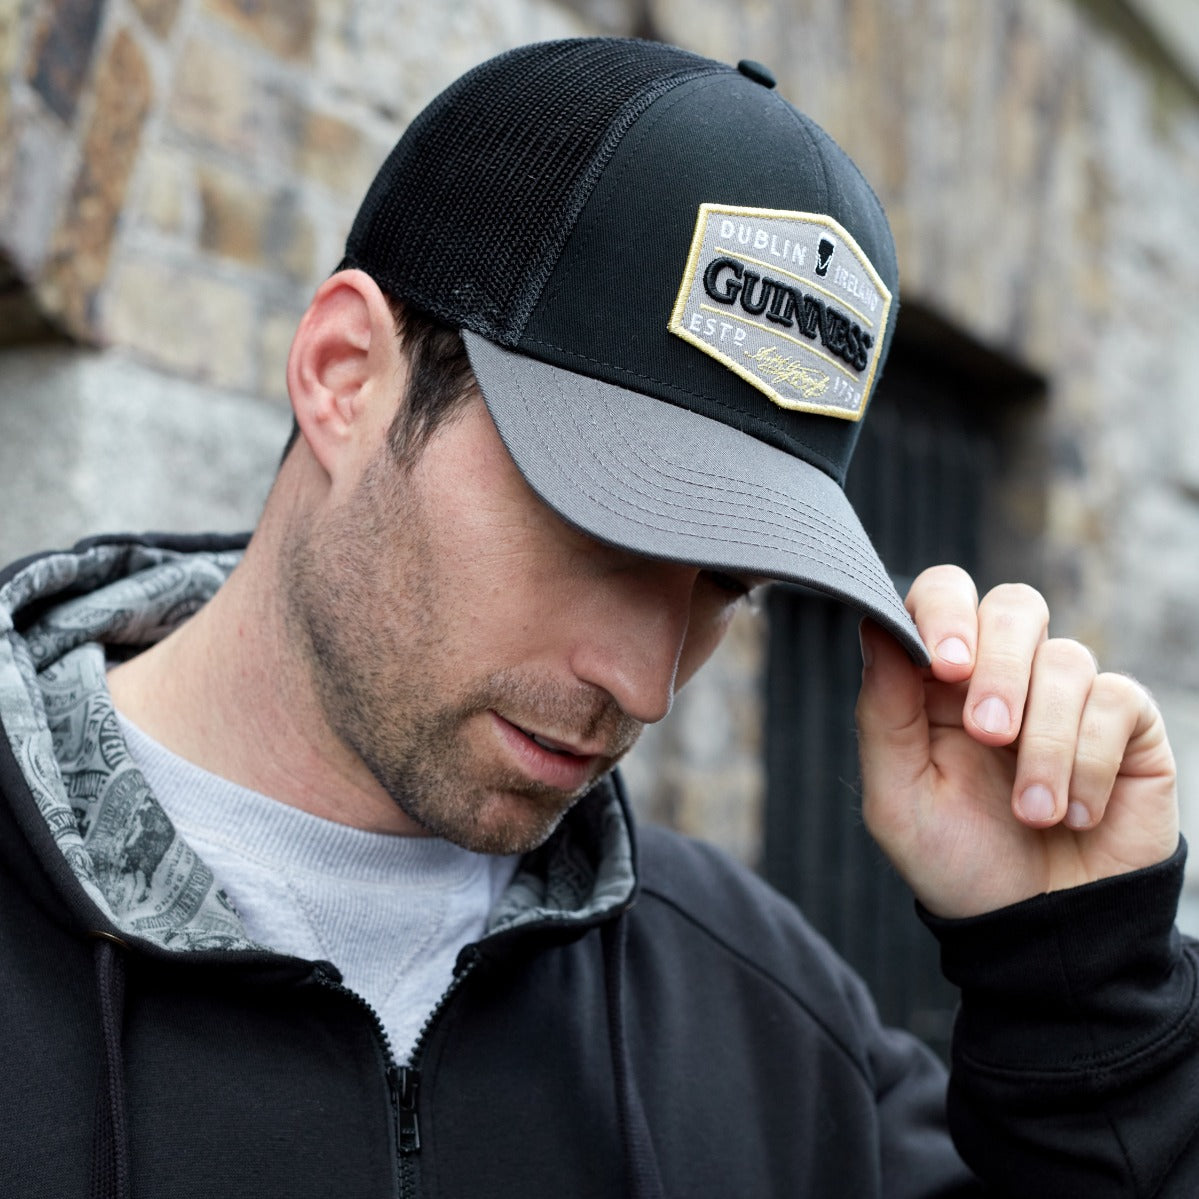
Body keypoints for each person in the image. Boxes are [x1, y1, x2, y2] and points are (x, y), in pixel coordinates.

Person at [0, 36, 1193, 1199]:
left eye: (724, 588)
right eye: (596, 532)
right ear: (346, 373)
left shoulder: (761, 1014)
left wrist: (1073, 995)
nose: (645, 680)